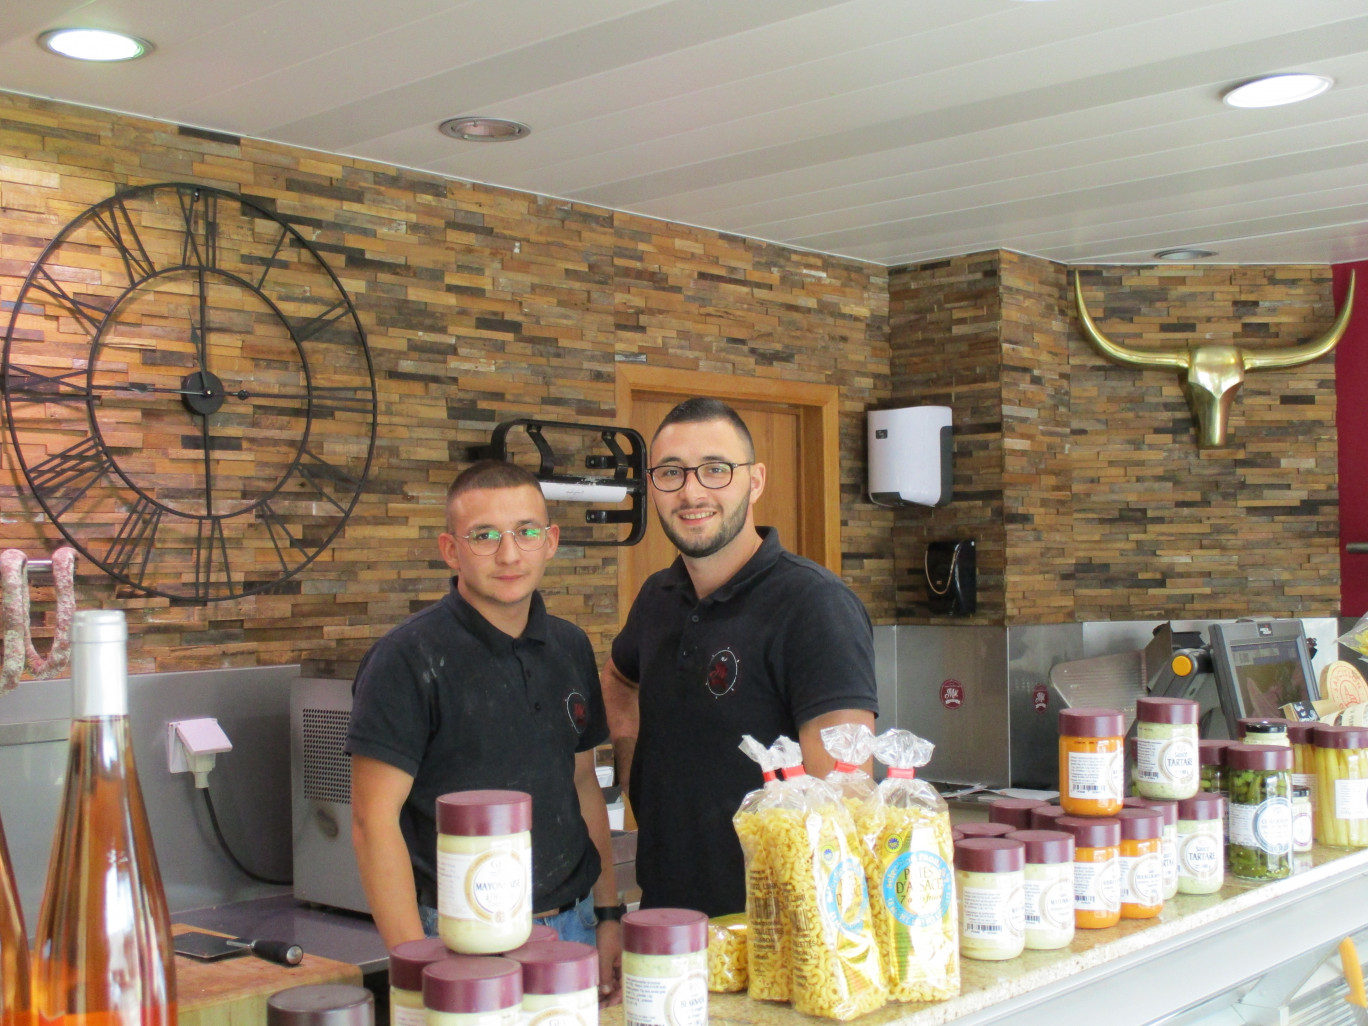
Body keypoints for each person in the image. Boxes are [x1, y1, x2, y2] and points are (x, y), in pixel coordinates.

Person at [347, 460, 621, 1003]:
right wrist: (418, 972)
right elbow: (370, 821)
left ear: (551, 541)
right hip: (454, 941)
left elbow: (584, 785)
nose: (509, 554)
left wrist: (610, 915)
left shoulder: (570, 647)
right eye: (485, 536)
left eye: (526, 532)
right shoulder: (406, 660)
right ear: (451, 550)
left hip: (573, 931)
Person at [601, 398, 879, 917]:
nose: (691, 492)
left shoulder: (814, 605)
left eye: (715, 470)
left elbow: (845, 797)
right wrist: (635, 769)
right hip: (666, 914)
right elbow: (619, 681)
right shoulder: (657, 597)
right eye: (670, 473)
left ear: (755, 481)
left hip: (775, 925)